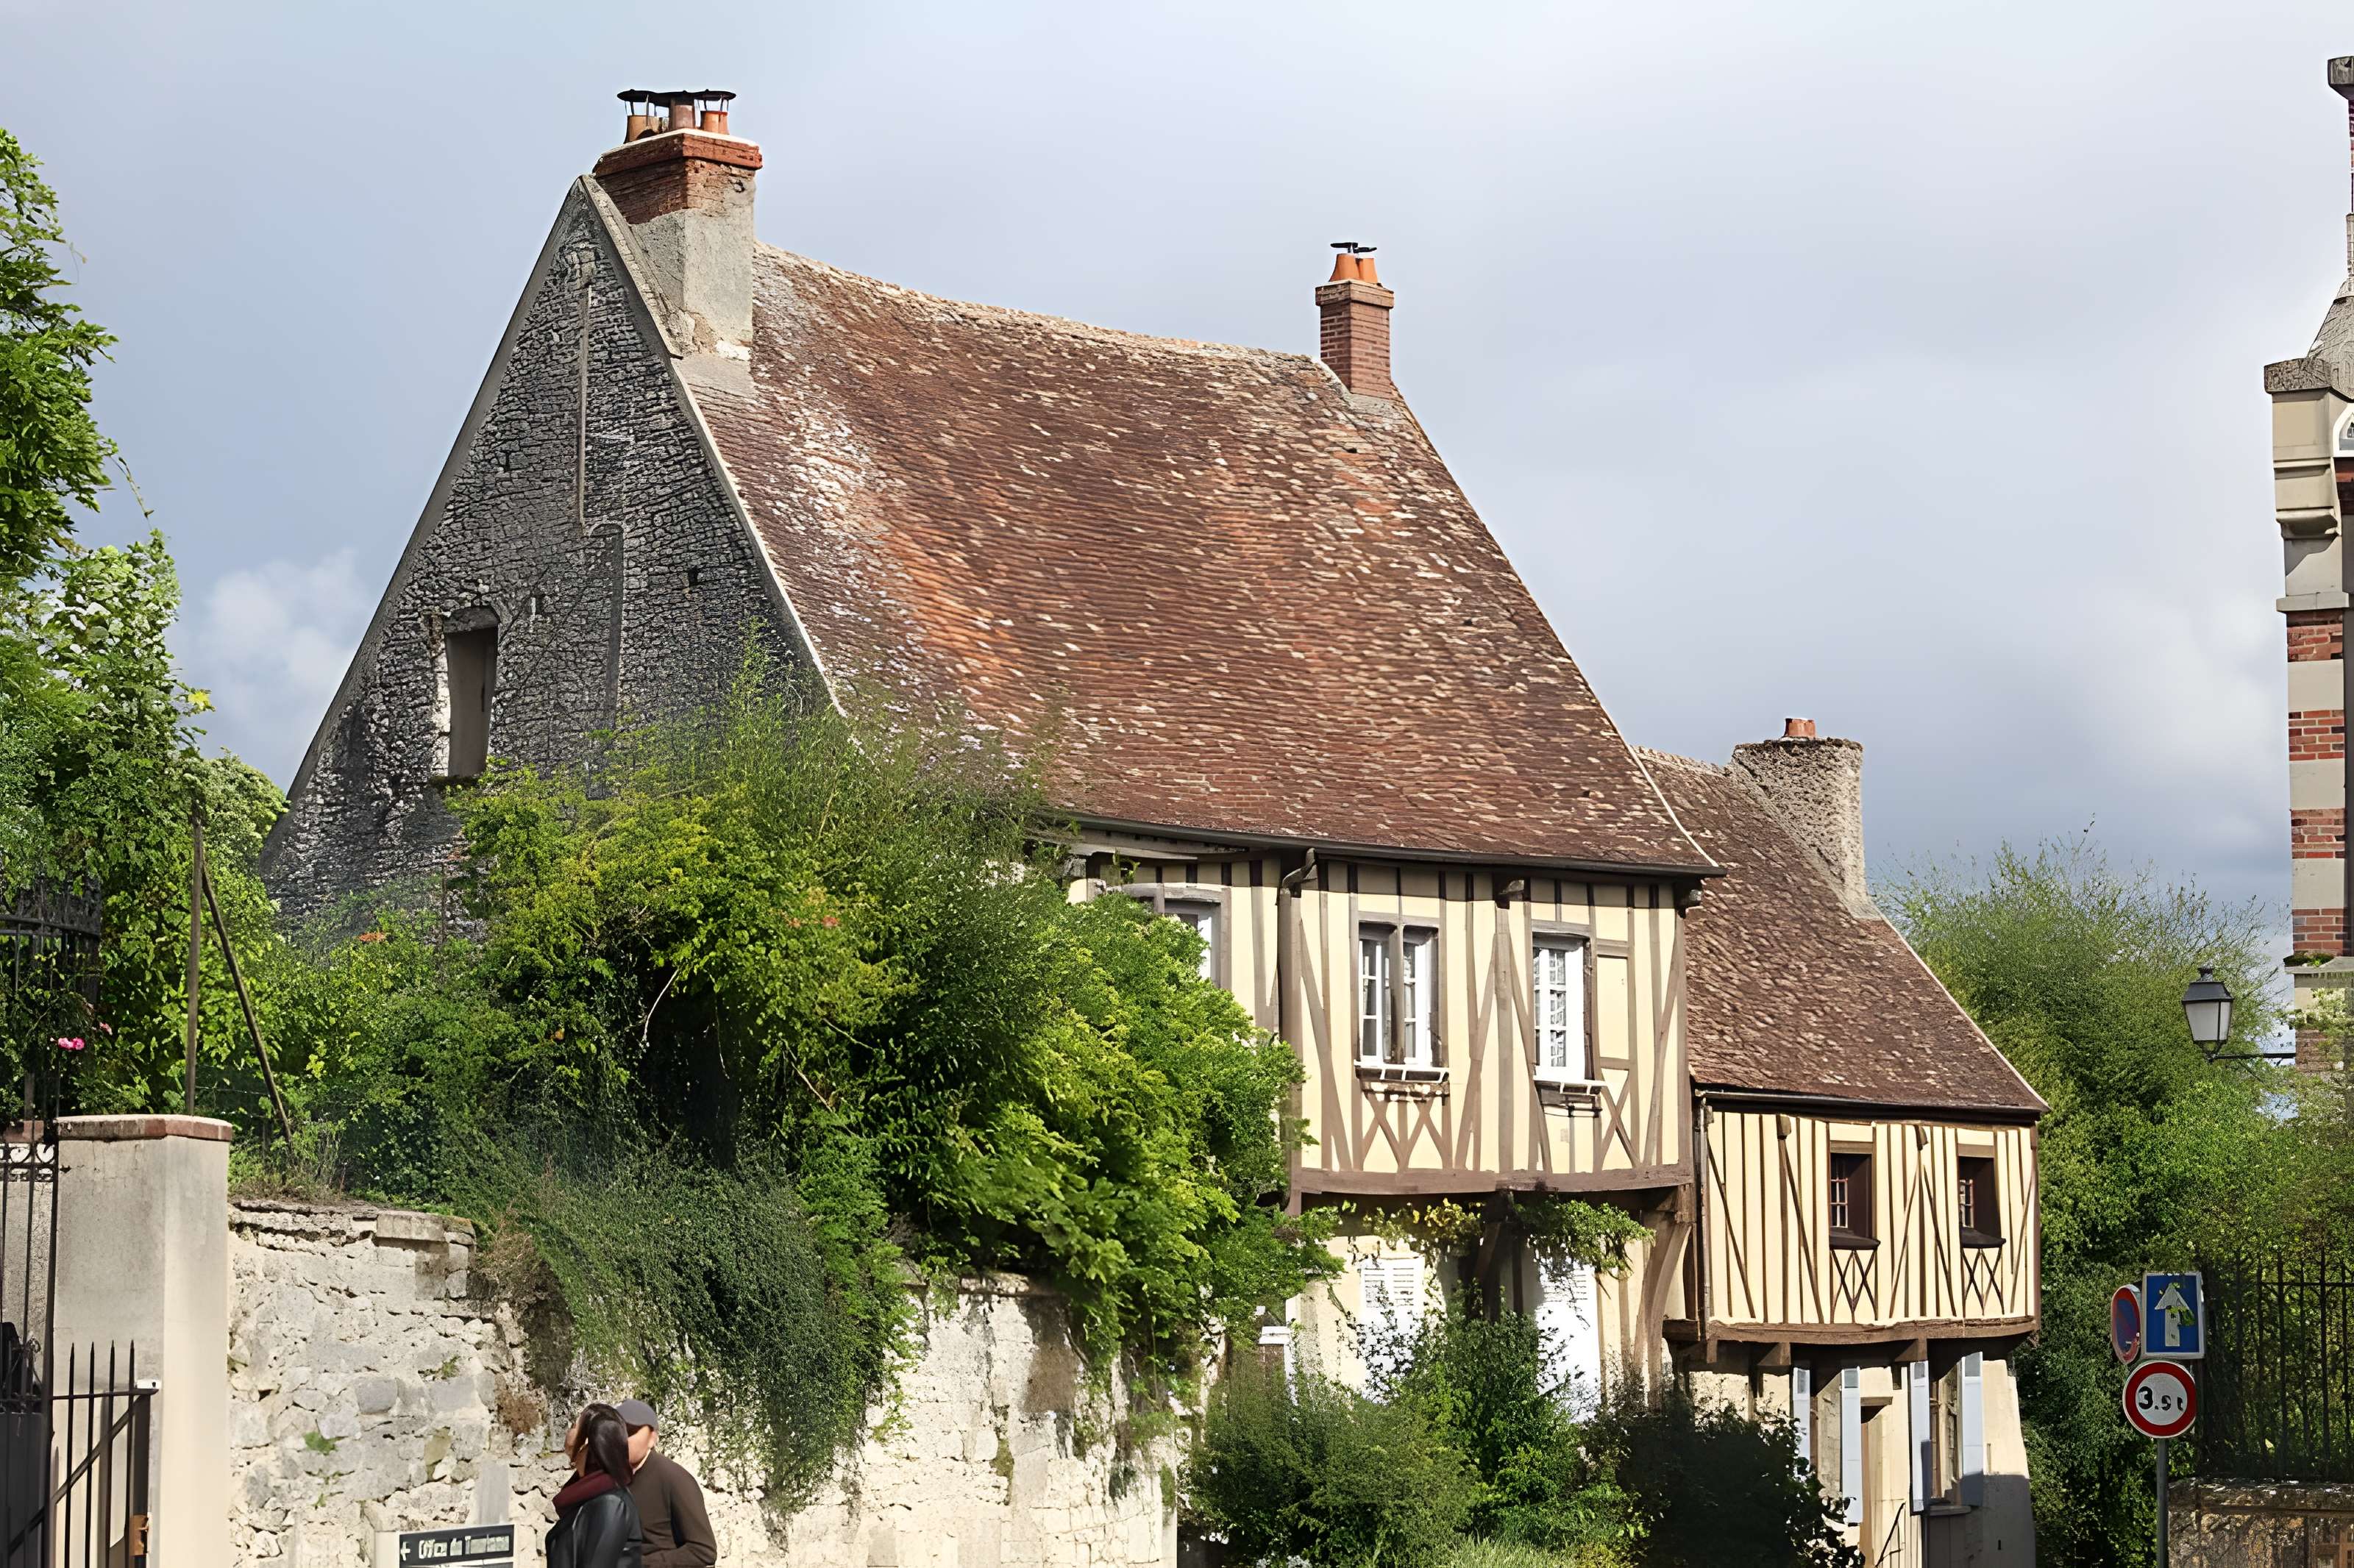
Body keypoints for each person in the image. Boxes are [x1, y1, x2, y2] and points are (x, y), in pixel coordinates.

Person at [618, 1397, 717, 1567]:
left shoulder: (675, 1478)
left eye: (630, 1432)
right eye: (616, 1431)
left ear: (653, 1437)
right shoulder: (613, 1476)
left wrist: (642, 1564)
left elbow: (703, 1551)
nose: (622, 1439)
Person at [548, 1403, 646, 1568]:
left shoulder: (611, 1503)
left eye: (574, 1426)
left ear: (588, 1443)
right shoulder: (589, 1495)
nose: (568, 1432)